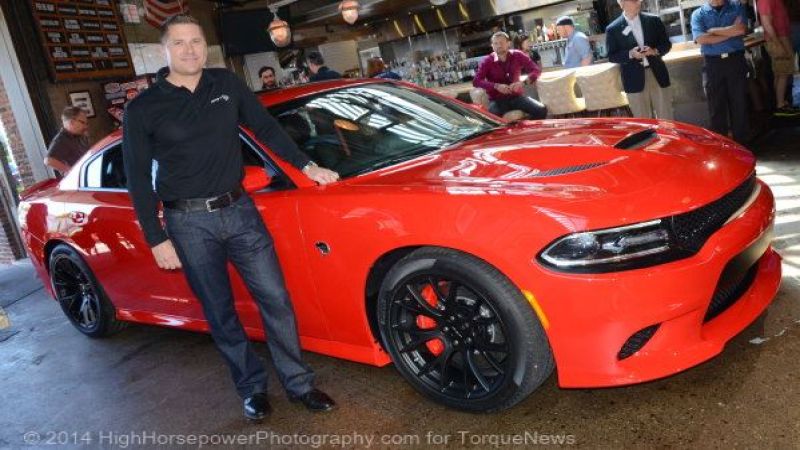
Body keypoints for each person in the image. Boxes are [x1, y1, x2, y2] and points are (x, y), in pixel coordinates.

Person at [122, 14, 339, 422]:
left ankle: (299, 384)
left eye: (196, 41)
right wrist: (156, 237)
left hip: (240, 212)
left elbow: (266, 129)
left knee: (275, 298)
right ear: (164, 50)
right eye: (179, 42)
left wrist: (306, 165)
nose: (190, 50)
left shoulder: (225, 84)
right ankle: (251, 388)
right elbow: (136, 177)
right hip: (188, 223)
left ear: (206, 46)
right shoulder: (143, 108)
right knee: (220, 311)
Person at [691, 0, 749, 143]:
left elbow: (741, 30)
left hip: (735, 61)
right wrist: (730, 33)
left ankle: (742, 146)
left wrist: (713, 31)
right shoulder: (698, 14)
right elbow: (702, 38)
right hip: (713, 64)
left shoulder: (736, 6)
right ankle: (721, 147)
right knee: (716, 108)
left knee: (740, 104)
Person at [606, 0, 674, 119]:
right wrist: (630, 54)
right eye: (634, 1)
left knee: (666, 117)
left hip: (657, 74)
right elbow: (612, 56)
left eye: (639, 0)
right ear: (622, 3)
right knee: (643, 121)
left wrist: (654, 51)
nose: (638, 3)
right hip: (633, 80)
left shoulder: (653, 20)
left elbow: (666, 44)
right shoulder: (613, 29)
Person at [473, 31, 548, 119]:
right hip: (497, 101)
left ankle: (526, 127)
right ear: (492, 46)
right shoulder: (487, 61)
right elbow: (476, 81)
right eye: (495, 43)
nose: (499, 45)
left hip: (517, 98)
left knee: (541, 110)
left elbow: (536, 70)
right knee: (493, 120)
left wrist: (523, 83)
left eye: (501, 42)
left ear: (508, 43)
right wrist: (496, 86)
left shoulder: (518, 55)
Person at [757, 0, 796, 113]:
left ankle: (780, 102)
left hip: (781, 37)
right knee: (783, 72)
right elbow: (766, 23)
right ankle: (780, 104)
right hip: (778, 39)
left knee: (780, 72)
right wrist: (778, 44)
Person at [44, 106, 90, 175]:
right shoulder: (61, 139)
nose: (86, 126)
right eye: (83, 123)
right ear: (71, 122)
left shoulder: (79, 135)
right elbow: (48, 161)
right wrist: (73, 171)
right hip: (79, 178)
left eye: (86, 123)